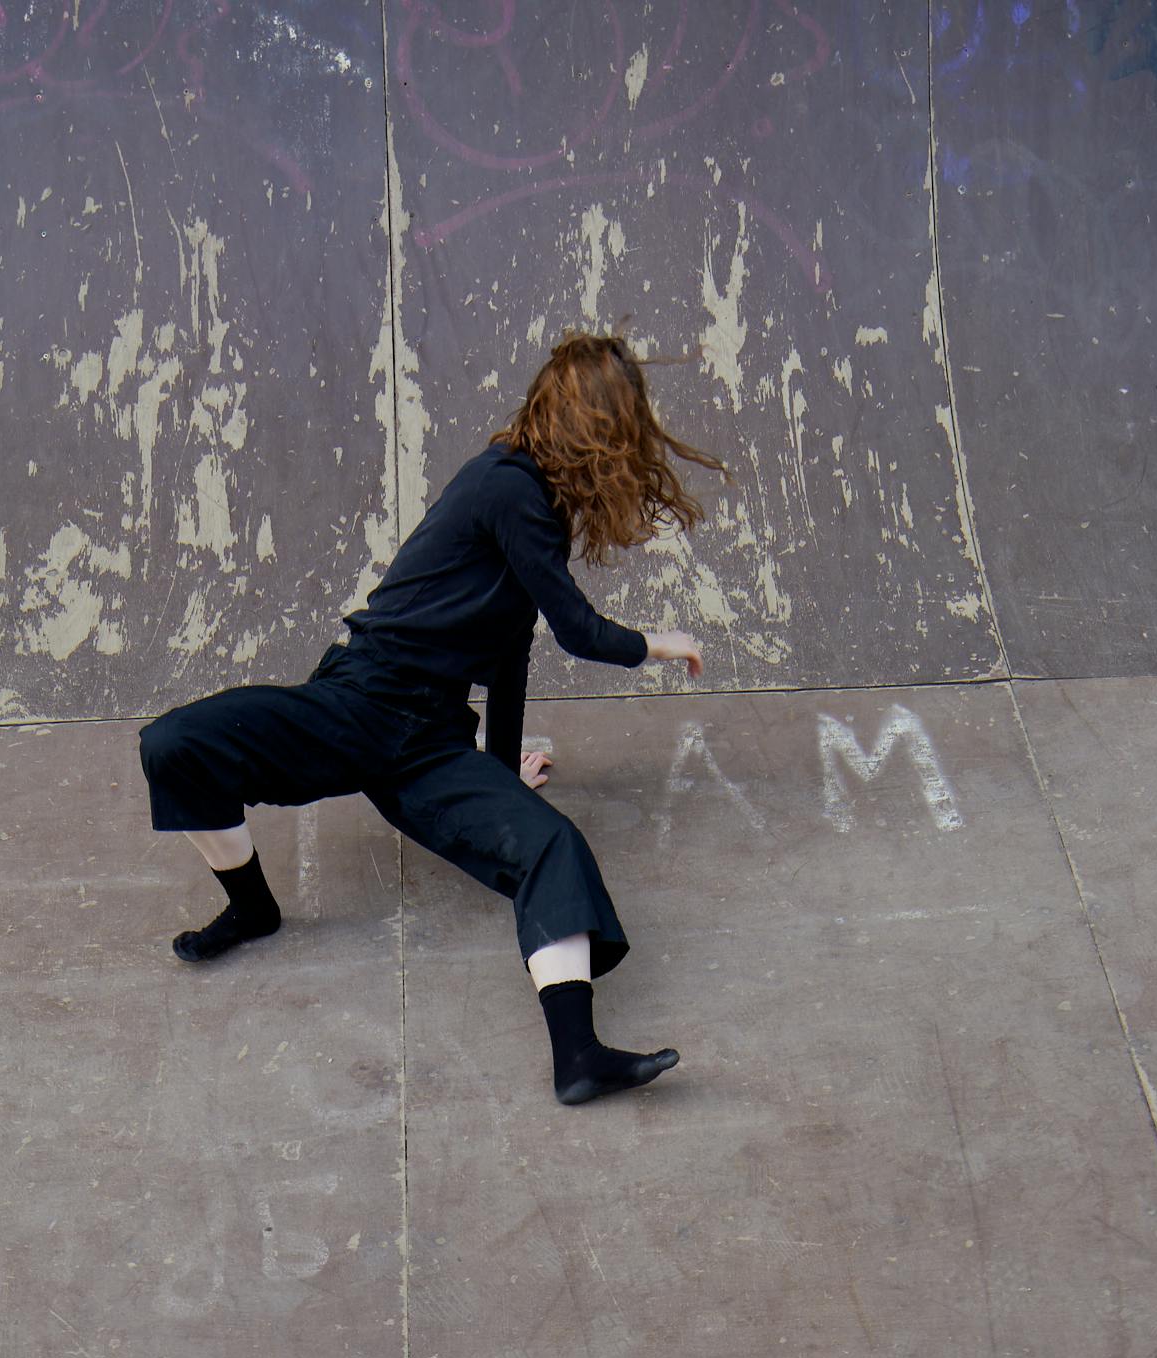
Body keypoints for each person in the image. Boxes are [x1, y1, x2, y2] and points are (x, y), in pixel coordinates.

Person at [138, 330, 728, 1106]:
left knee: (550, 843)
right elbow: (579, 633)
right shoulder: (506, 486)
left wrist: (498, 766)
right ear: (592, 427)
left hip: (428, 744)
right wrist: (659, 642)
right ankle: (253, 909)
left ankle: (579, 1057)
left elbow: (509, 655)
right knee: (174, 744)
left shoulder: (537, 512)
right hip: (357, 701)